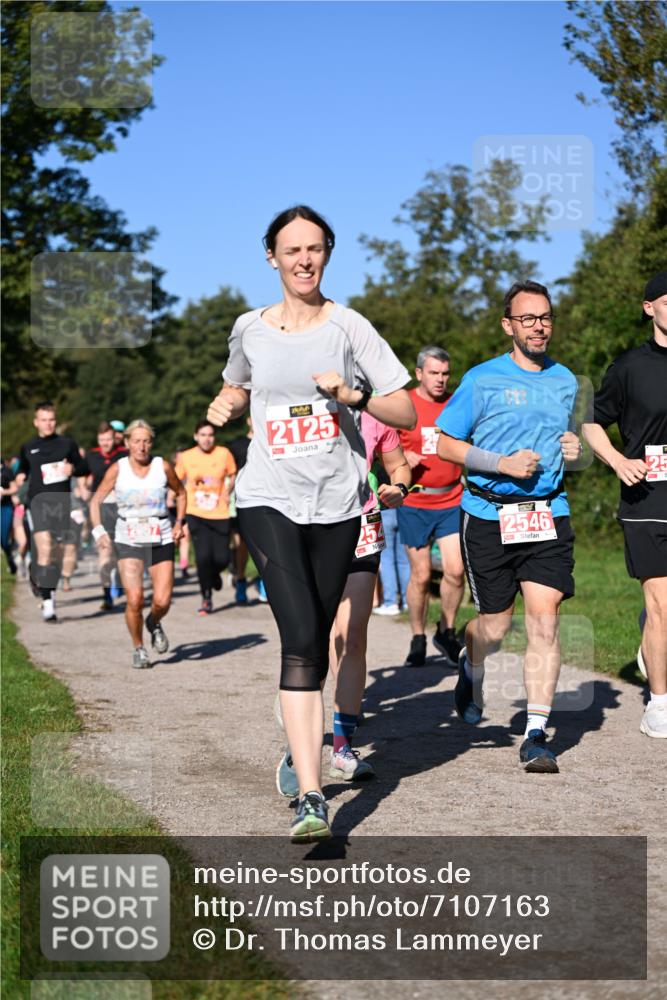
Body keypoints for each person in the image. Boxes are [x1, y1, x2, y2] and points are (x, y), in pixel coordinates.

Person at [207, 205, 415, 842]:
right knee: (300, 638)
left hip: (337, 503)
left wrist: (353, 397)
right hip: (267, 497)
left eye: (316, 249)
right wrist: (226, 402)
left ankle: (300, 748)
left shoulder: (350, 328)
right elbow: (240, 384)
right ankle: (312, 796)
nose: (304, 259)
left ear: (327, 255)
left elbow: (403, 409)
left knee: (321, 641)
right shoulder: (250, 328)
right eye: (292, 249)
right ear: (271, 256)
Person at [437, 280, 582, 773]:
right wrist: (500, 463)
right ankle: (470, 662)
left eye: (545, 317)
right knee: (495, 626)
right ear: (508, 326)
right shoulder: (481, 380)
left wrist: (573, 451)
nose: (538, 326)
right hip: (488, 515)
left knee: (545, 619)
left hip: (547, 511)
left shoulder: (566, 380)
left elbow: (566, 439)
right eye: (528, 319)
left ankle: (536, 732)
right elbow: (444, 444)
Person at [276, 411, 411, 797]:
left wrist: (398, 487)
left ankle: (341, 747)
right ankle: (298, 744)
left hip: (363, 526)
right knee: (314, 641)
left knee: (351, 636)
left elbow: (399, 464)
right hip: (312, 530)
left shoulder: (376, 414)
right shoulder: (305, 408)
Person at [582, 270, 667, 739]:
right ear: (648, 307)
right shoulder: (630, 366)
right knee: (662, 604)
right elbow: (592, 422)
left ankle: (648, 638)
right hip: (647, 497)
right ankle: (658, 704)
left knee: (663, 611)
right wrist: (617, 461)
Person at [90, 420, 186, 668]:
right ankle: (139, 647)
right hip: (129, 538)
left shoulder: (162, 466)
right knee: (134, 599)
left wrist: (179, 523)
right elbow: (95, 501)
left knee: (162, 601)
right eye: (136, 441)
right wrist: (99, 530)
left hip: (160, 536)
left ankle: (153, 622)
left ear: (151, 443)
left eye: (146, 441)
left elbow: (182, 493)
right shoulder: (118, 469)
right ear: (127, 443)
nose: (142, 446)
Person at [397, 346, 465, 667]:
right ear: (419, 373)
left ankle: (446, 631)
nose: (440, 379)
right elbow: (382, 447)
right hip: (414, 499)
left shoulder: (456, 403)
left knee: (455, 569)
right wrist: (398, 461)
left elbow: (471, 441)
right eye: (434, 373)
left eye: (445, 373)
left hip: (451, 497)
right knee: (422, 575)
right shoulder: (403, 405)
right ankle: (417, 637)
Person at [16, 401, 88, 622]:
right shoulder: (28, 446)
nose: (48, 424)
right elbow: (22, 470)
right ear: (36, 422)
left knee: (55, 553)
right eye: (43, 420)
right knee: (45, 548)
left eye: (51, 420)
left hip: (61, 503)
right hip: (37, 503)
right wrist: (20, 477)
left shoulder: (67, 444)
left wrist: (73, 469)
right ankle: (48, 602)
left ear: (55, 421)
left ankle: (43, 582)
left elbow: (84, 468)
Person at [175, 420, 237, 614]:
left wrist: (228, 490)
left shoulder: (223, 454)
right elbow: (176, 479)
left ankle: (215, 573)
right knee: (202, 557)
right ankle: (206, 597)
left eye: (210, 435)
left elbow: (233, 474)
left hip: (219, 512)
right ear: (196, 437)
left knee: (222, 558)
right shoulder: (186, 456)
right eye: (202, 435)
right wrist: (175, 497)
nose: (206, 439)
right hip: (195, 513)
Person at [86, 421, 128, 609]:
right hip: (101, 508)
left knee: (123, 553)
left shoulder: (124, 455)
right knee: (105, 552)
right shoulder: (92, 455)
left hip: (123, 508)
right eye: (102, 439)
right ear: (98, 439)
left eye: (108, 439)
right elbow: (81, 474)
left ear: (114, 438)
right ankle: (106, 595)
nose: (105, 443)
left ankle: (120, 582)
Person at [372, 467, 411, 616]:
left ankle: (390, 602)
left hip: (384, 510)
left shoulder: (378, 459)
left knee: (386, 560)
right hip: (403, 509)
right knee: (404, 559)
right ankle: (407, 601)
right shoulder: (400, 463)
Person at [1, 458, 17, 574]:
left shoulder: (6, 471)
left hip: (5, 507)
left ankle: (10, 560)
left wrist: (3, 492)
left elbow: (14, 488)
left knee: (4, 540)